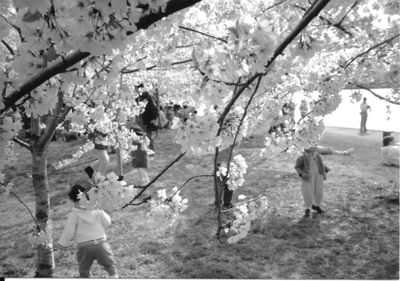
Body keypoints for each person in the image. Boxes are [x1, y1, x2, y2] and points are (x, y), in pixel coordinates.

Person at [55, 182, 118, 278]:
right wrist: (101, 225)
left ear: (73, 200)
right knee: (110, 265)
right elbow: (107, 222)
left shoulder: (74, 214)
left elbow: (69, 230)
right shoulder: (97, 209)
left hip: (84, 247)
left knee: (84, 270)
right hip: (101, 243)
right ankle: (114, 277)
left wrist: (62, 244)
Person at [295, 146, 331, 217]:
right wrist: (302, 174)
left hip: (318, 175)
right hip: (308, 177)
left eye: (314, 146)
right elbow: (297, 167)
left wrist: (325, 169)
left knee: (319, 191)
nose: (312, 148)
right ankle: (308, 208)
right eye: (310, 146)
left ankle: (317, 206)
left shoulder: (317, 156)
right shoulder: (301, 157)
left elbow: (321, 164)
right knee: (308, 192)